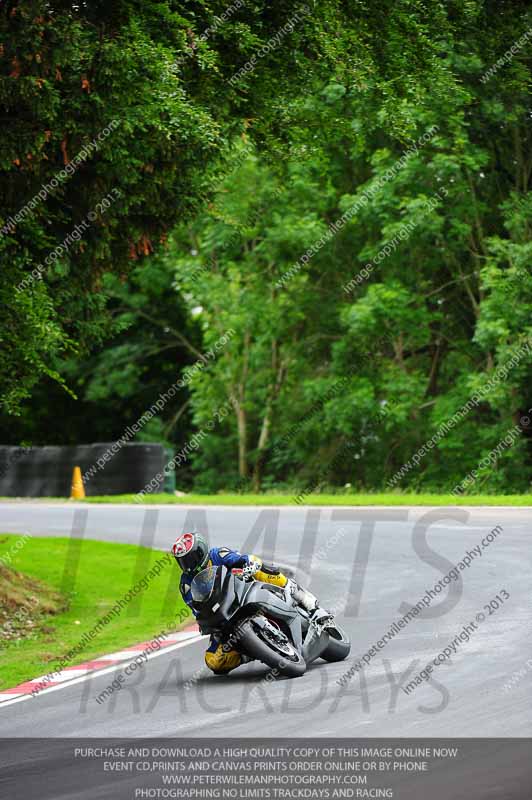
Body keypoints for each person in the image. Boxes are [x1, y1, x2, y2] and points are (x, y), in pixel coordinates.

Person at [171, 530, 319, 674]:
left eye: (190, 559)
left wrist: (248, 565)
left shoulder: (218, 554)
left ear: (200, 552)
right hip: (223, 615)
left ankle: (302, 596)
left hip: (242, 591)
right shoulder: (186, 585)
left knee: (260, 567)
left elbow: (242, 559)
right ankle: (251, 652)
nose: (187, 565)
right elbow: (197, 608)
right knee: (213, 660)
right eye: (182, 561)